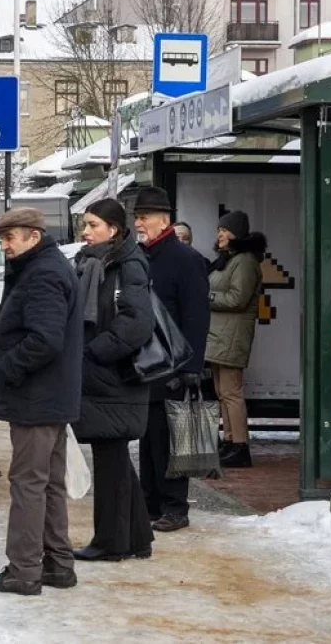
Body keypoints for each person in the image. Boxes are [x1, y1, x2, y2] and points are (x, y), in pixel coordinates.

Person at [0, 207, 83, 596]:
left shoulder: (43, 274)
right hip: (48, 396)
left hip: (37, 397)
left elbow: (45, 339)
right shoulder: (44, 268)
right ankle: (57, 565)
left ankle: (23, 571)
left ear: (33, 237)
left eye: (9, 238)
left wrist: (10, 368)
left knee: (28, 484)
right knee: (48, 484)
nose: (4, 246)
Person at [72, 199, 156, 562]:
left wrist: (94, 351)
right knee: (114, 457)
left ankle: (110, 542)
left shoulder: (128, 264)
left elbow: (137, 322)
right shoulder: (95, 263)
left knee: (111, 461)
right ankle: (136, 538)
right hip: (104, 379)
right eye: (85, 225)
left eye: (92, 225)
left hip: (117, 376)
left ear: (114, 229)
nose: (85, 232)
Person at [131, 186, 210, 533]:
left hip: (175, 365)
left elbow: (197, 317)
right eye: (136, 217)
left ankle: (175, 507)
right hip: (146, 363)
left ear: (164, 219)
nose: (138, 223)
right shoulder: (140, 256)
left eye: (144, 217)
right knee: (148, 438)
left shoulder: (186, 259)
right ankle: (150, 502)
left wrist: (193, 367)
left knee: (171, 439)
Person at [206, 210, 266, 469]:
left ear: (237, 234)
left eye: (226, 229)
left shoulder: (244, 261)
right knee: (223, 391)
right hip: (220, 335)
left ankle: (240, 446)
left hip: (231, 336)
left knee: (231, 391)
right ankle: (230, 441)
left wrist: (206, 297)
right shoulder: (229, 260)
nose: (220, 233)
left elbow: (237, 299)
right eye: (219, 228)